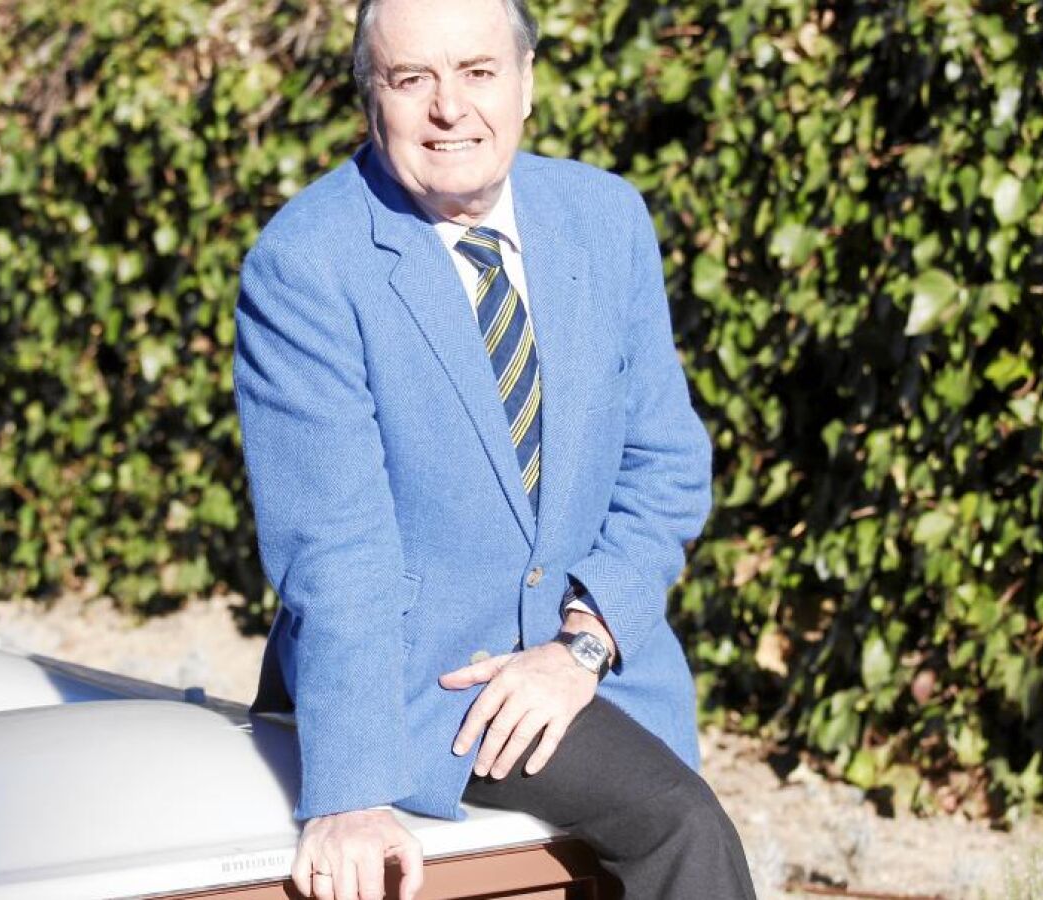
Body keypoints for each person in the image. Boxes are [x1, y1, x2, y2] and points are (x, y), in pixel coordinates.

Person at [232, 0, 757, 897]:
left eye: (477, 72)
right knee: (683, 827)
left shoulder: (604, 217)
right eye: (411, 78)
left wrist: (582, 644)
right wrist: (351, 793)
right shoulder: (305, 264)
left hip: (585, 667)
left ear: (525, 83)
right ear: (369, 97)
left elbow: (665, 466)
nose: (449, 108)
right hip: (425, 685)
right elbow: (334, 548)